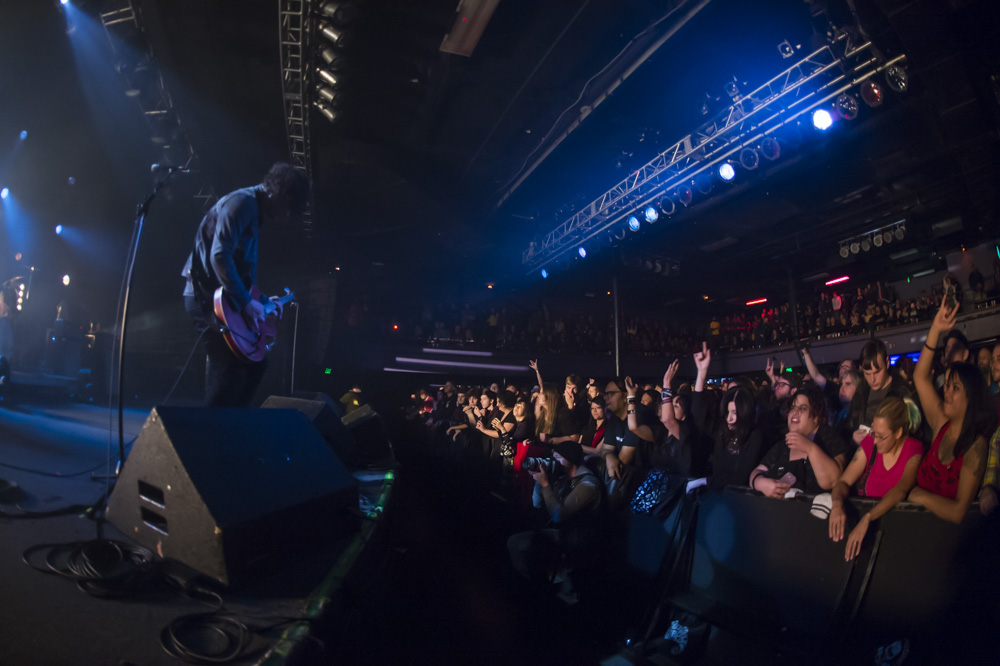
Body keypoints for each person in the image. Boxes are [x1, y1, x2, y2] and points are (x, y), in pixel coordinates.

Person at [182, 162, 309, 407]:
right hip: (205, 299)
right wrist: (245, 302)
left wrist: (261, 301)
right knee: (230, 372)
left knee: (256, 365)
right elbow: (219, 256)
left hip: (221, 299)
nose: (287, 216)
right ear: (277, 193)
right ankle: (211, 437)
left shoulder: (253, 211)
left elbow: (238, 271)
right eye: (288, 207)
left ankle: (229, 429)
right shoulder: (242, 204)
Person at [906, 298, 995, 523]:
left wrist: (921, 496)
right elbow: (920, 377)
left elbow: (958, 512)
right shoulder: (941, 423)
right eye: (947, 385)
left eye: (955, 387)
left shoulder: (975, 446)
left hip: (946, 544)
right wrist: (935, 329)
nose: (946, 391)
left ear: (971, 396)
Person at [829, 397, 924, 559]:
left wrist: (868, 517)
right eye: (874, 433)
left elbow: (901, 489)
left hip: (897, 535)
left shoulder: (913, 449)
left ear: (898, 433)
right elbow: (844, 482)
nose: (875, 441)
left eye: (881, 436)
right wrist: (837, 504)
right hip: (866, 535)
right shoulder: (869, 444)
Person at [506, 441, 603, 584]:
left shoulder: (588, 485)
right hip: (564, 532)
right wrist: (539, 482)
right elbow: (537, 504)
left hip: (577, 539)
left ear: (570, 460)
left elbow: (558, 516)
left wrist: (545, 484)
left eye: (558, 457)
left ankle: (536, 585)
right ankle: (536, 583)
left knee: (518, 543)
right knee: (516, 536)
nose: (554, 462)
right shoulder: (565, 478)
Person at [749, 385, 852, 498]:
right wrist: (760, 483)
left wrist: (810, 448)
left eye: (802, 408)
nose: (795, 412)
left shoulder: (828, 437)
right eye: (793, 408)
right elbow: (758, 470)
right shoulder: (783, 445)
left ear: (816, 417)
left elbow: (832, 481)